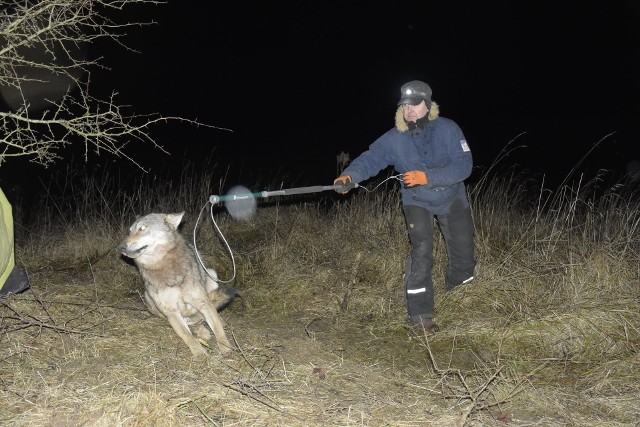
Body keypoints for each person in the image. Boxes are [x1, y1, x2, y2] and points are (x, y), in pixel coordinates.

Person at [334, 80, 475, 333]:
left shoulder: (449, 129)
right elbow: (371, 158)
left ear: (428, 105)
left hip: (452, 199)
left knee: (463, 253)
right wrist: (349, 176)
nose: (409, 110)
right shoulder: (395, 137)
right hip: (416, 201)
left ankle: (460, 300)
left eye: (415, 104)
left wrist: (427, 177)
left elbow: (464, 166)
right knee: (421, 251)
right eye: (405, 105)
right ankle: (420, 316)